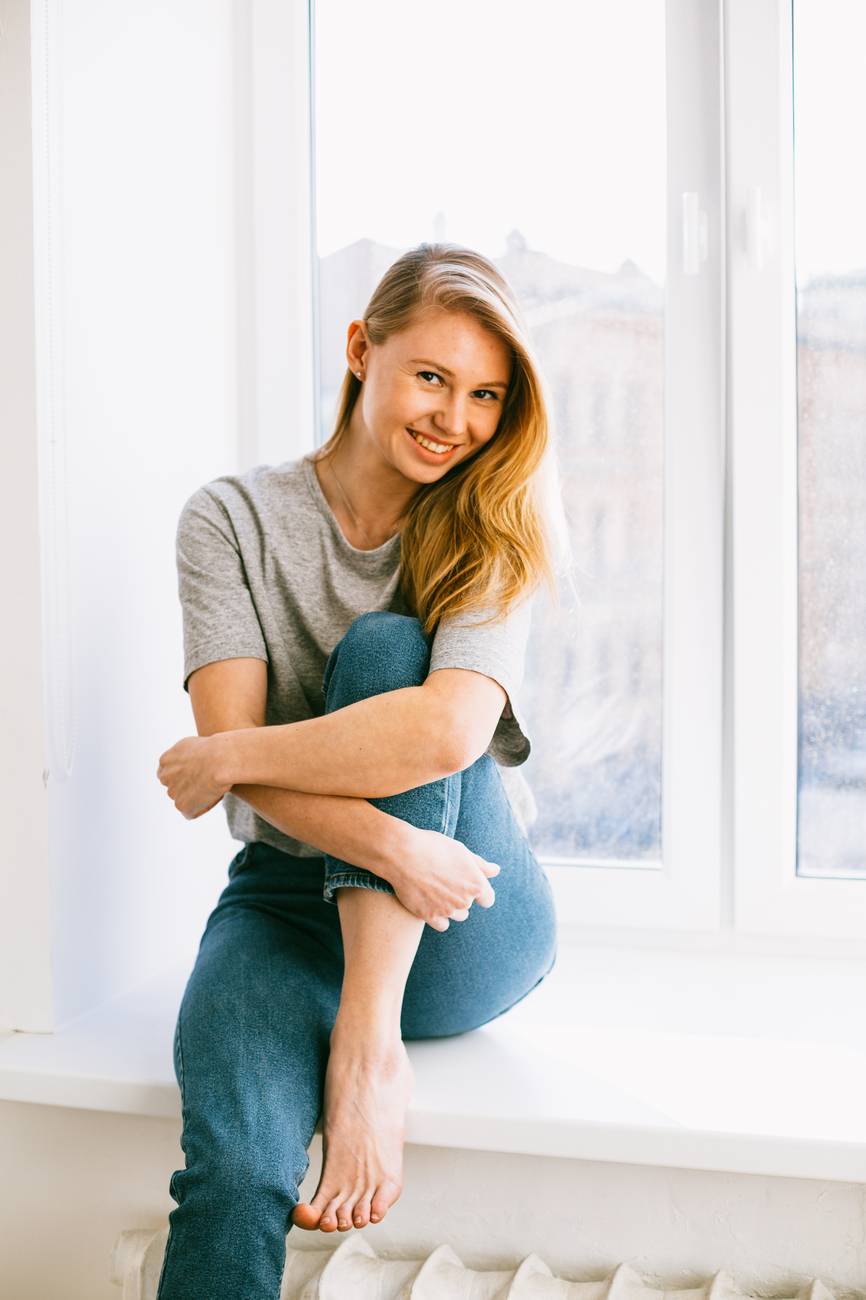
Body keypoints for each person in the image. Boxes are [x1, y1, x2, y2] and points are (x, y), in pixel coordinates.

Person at [154, 242, 571, 1299]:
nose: (455, 418)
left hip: (462, 908)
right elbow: (231, 757)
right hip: (296, 898)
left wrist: (233, 754)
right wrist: (388, 840)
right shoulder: (230, 518)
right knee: (236, 1167)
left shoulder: (490, 528)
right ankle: (349, 1028)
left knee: (388, 655)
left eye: (484, 395)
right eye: (432, 377)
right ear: (360, 351)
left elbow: (438, 737)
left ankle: (367, 1050)